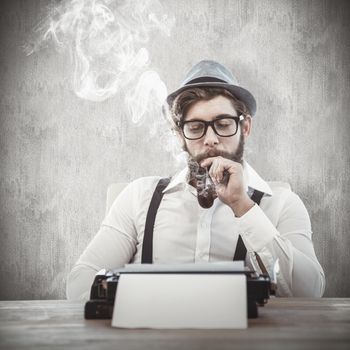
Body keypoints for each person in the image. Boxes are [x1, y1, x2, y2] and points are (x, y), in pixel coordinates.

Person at [66, 60, 325, 300]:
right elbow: (78, 287)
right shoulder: (138, 198)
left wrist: (242, 206)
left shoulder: (282, 204)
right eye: (195, 127)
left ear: (245, 128)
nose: (210, 139)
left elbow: (310, 293)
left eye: (223, 124)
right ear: (180, 135)